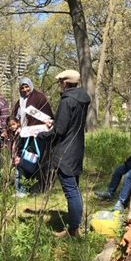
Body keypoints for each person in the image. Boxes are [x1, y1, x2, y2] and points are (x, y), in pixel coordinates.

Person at [36, 70, 90, 238]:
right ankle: (77, 225)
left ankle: (73, 230)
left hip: (65, 152)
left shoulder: (67, 101)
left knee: (70, 190)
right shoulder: (82, 99)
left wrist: (41, 134)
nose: (60, 85)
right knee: (75, 188)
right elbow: (69, 123)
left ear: (65, 83)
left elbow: (59, 131)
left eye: (60, 83)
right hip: (76, 149)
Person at [12, 77, 54, 195]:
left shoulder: (39, 98)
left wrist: (46, 123)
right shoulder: (19, 102)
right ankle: (22, 189)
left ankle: (37, 189)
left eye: (27, 87)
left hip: (38, 137)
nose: (25, 89)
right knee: (23, 161)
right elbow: (15, 117)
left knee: (36, 161)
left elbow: (48, 117)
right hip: (24, 136)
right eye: (22, 87)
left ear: (31, 86)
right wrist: (15, 125)